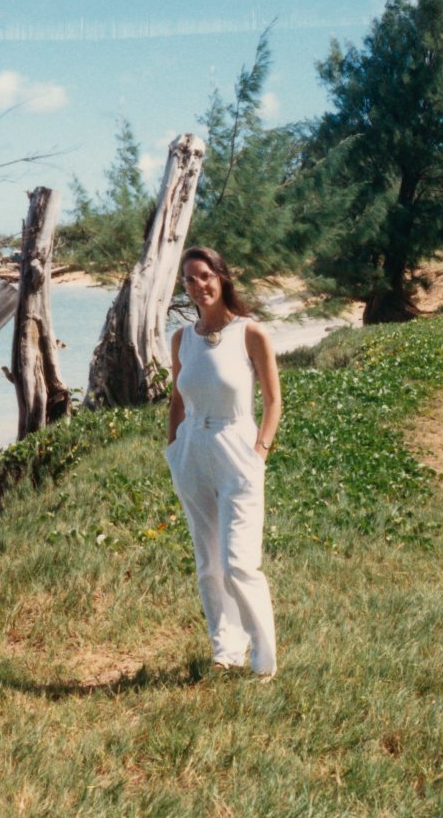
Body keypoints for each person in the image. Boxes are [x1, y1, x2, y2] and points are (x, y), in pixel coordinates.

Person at [165, 246, 281, 680]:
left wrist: (260, 453)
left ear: (222, 276)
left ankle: (263, 662)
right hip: (193, 451)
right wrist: (174, 450)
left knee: (239, 562)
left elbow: (273, 400)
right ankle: (225, 648)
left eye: (204, 276)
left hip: (237, 449)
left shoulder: (250, 333)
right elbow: (177, 400)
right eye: (189, 280)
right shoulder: (182, 339)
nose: (198, 286)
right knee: (208, 563)